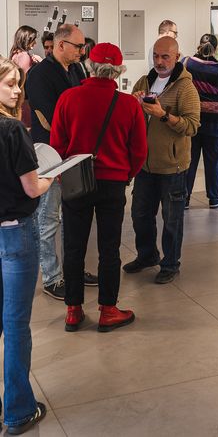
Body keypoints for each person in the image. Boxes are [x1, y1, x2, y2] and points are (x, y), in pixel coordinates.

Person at [50, 43, 147, 332]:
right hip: (113, 182)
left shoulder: (68, 98)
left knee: (74, 246)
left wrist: (64, 174)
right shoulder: (128, 104)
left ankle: (73, 310)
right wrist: (125, 174)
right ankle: (108, 310)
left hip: (76, 180)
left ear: (89, 66)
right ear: (118, 71)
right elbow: (139, 151)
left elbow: (57, 145)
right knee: (109, 247)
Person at [25, 24, 98, 301]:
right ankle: (52, 277)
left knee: (73, 216)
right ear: (60, 45)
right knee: (48, 219)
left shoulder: (77, 69)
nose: (82, 51)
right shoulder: (39, 74)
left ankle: (73, 270)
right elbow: (48, 118)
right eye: (78, 47)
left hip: (73, 154)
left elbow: (83, 107)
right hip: (50, 155)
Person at [0, 56, 52, 434]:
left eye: (19, 83)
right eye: (10, 83)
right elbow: (32, 188)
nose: (18, 91)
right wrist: (51, 178)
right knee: (16, 323)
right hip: (16, 232)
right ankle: (18, 410)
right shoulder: (13, 130)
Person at [123, 36, 200, 284]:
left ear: (176, 57)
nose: (159, 61)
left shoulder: (186, 88)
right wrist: (134, 104)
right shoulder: (145, 81)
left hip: (172, 167)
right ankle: (147, 256)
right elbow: (130, 117)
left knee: (172, 220)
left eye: (165, 56)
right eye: (156, 56)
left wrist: (163, 115)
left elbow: (192, 126)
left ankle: (170, 264)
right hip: (144, 165)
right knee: (140, 215)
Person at [184, 33, 218, 209]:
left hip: (193, 117)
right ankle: (213, 198)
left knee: (190, 159)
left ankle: (185, 198)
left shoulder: (187, 63)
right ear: (215, 49)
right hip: (216, 121)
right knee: (213, 160)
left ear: (199, 45)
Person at [9, 25, 42, 128]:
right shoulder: (24, 56)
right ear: (26, 39)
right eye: (33, 40)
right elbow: (23, 81)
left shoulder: (15, 54)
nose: (35, 43)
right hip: (24, 100)